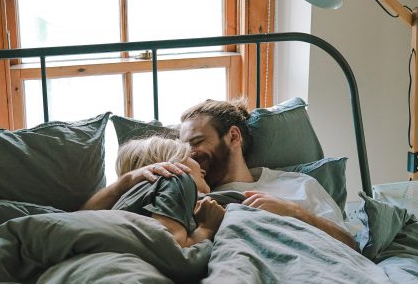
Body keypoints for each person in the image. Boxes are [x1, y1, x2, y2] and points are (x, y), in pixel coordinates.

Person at [83, 98, 357, 251]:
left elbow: (352, 247)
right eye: (183, 148)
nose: (189, 153)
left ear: (233, 136)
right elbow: (87, 219)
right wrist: (126, 181)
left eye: (196, 142)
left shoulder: (298, 185)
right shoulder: (183, 189)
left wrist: (294, 213)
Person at [81, 136, 225, 248]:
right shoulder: (175, 181)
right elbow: (174, 251)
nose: (203, 169)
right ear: (171, 162)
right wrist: (207, 229)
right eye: (191, 157)